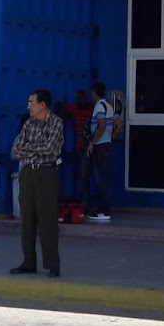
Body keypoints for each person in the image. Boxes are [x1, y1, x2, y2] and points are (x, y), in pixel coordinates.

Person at [10, 88, 65, 277]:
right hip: (28, 173)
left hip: (47, 173)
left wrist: (30, 149)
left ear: (42, 105)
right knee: (27, 220)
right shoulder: (28, 123)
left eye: (31, 102)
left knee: (47, 220)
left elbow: (50, 149)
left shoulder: (56, 123)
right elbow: (17, 150)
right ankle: (28, 262)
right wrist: (35, 150)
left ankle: (52, 264)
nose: (28, 106)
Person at [84, 82, 115, 222]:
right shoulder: (109, 106)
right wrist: (110, 136)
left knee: (101, 179)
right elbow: (118, 124)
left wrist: (92, 142)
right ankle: (103, 208)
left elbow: (101, 126)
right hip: (106, 144)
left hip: (100, 146)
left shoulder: (98, 106)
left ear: (94, 92)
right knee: (104, 178)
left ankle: (104, 211)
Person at [57, 89, 93, 202]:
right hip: (93, 145)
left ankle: (84, 203)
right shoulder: (91, 110)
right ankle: (86, 202)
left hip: (81, 147)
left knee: (82, 177)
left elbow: (63, 107)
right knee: (87, 176)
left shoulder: (75, 110)